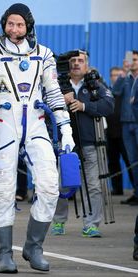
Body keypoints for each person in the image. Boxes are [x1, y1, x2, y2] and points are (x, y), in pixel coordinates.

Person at [0, 3, 75, 273]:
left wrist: (65, 128)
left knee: (51, 186)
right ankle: (3, 253)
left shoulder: (43, 55)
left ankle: (34, 246)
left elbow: (53, 93)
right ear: (4, 24)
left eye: (20, 24)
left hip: (36, 126)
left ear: (28, 26)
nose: (14, 29)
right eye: (10, 24)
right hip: (3, 125)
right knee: (4, 190)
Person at [51, 51, 114, 238]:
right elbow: (43, 106)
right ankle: (58, 222)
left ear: (86, 64)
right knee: (62, 184)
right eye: (73, 61)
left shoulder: (94, 85)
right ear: (67, 65)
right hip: (65, 145)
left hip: (90, 143)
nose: (77, 64)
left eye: (81, 61)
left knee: (93, 185)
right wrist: (60, 101)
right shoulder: (57, 85)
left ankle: (91, 224)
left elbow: (109, 106)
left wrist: (84, 107)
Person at [113, 50, 138, 205]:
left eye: (135, 59)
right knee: (132, 160)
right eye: (132, 59)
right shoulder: (126, 78)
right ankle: (137, 192)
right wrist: (123, 72)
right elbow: (115, 91)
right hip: (126, 124)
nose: (133, 62)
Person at [106, 66, 133, 195]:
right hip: (110, 132)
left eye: (119, 75)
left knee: (129, 161)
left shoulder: (126, 89)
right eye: (114, 75)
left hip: (123, 131)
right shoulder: (107, 91)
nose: (116, 77)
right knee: (112, 162)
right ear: (110, 77)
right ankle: (117, 189)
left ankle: (135, 190)